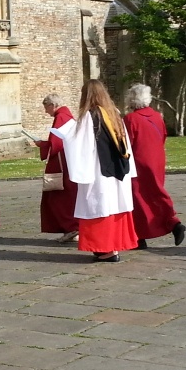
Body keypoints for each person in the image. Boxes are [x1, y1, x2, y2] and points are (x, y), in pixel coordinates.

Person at [53, 79, 137, 263]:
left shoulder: (89, 116)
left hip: (99, 171)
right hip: (117, 171)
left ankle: (105, 250)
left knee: (100, 208)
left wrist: (67, 137)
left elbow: (82, 146)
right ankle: (113, 247)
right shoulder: (114, 113)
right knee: (113, 207)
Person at [123, 84, 186, 250]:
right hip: (157, 159)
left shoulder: (130, 119)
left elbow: (126, 144)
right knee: (155, 193)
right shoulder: (157, 116)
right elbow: (163, 136)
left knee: (138, 198)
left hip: (138, 162)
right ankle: (151, 230)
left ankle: (148, 233)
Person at [33, 94, 79, 243]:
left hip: (61, 164)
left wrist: (42, 145)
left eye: (46, 107)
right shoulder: (68, 116)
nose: (46, 111)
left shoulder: (61, 118)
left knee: (57, 198)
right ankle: (72, 227)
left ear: (53, 105)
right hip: (68, 162)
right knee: (67, 196)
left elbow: (56, 144)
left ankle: (71, 227)